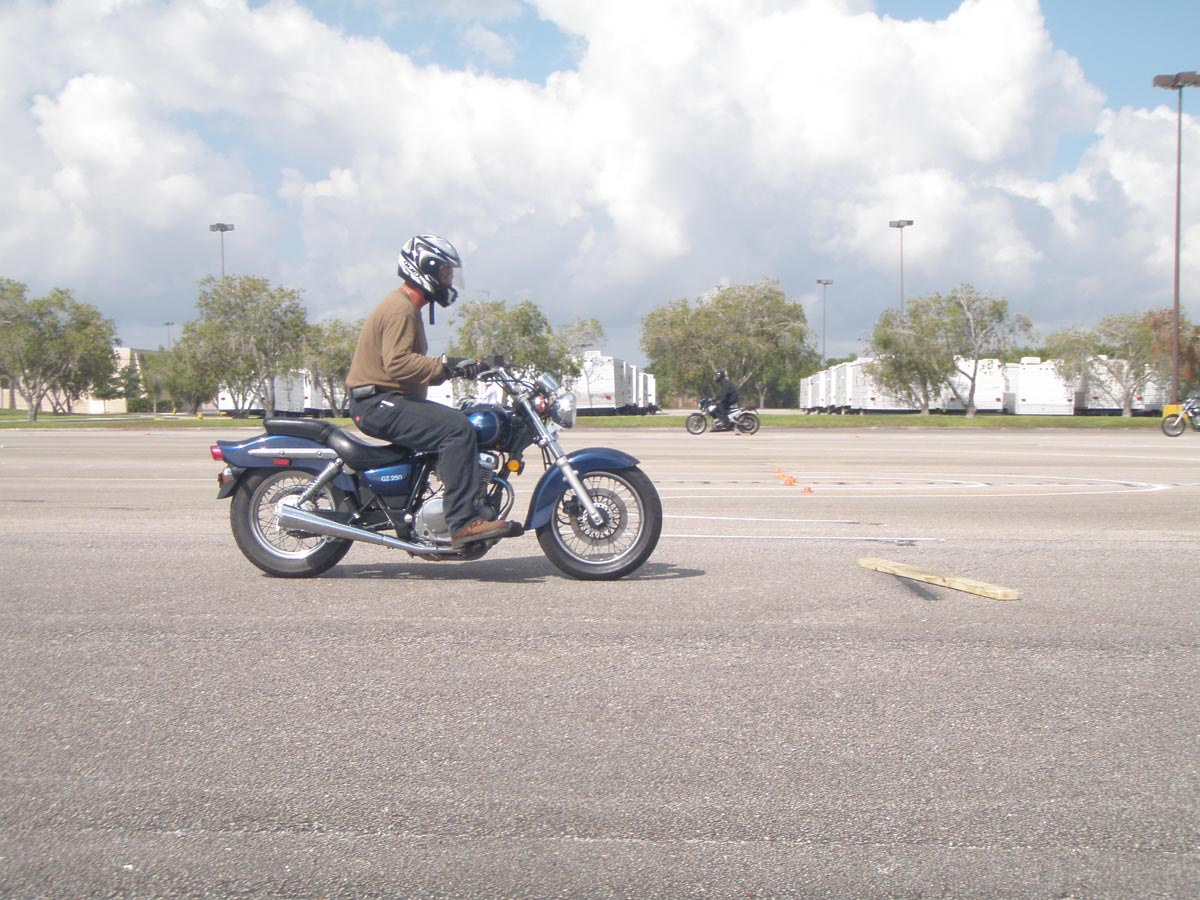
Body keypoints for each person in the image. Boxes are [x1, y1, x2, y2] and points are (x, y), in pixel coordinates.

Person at [346, 234, 513, 549]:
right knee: (457, 430)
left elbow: (408, 367)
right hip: (376, 402)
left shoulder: (408, 307)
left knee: (456, 421)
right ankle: (462, 523)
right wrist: (446, 365)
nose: (449, 281)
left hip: (388, 399)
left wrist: (463, 367)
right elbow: (397, 364)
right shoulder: (401, 308)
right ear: (425, 269)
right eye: (446, 274)